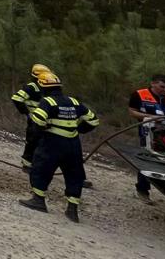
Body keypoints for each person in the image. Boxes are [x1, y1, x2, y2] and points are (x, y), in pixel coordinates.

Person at [18, 71, 99, 223]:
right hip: (73, 144)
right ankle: (72, 210)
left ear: (43, 88)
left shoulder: (47, 102)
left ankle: (38, 200)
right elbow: (93, 120)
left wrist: (38, 135)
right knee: (75, 175)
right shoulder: (74, 102)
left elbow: (39, 121)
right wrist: (78, 130)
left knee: (41, 169)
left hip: (52, 143)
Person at [127, 72, 165, 203]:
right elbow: (132, 111)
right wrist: (151, 117)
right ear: (153, 83)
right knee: (147, 159)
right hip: (148, 131)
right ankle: (142, 190)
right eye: (162, 87)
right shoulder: (139, 94)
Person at [11, 63, 53, 171]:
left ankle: (37, 164)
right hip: (34, 120)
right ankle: (27, 164)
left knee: (43, 144)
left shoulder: (45, 88)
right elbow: (16, 98)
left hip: (45, 121)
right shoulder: (31, 87)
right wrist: (27, 113)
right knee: (32, 141)